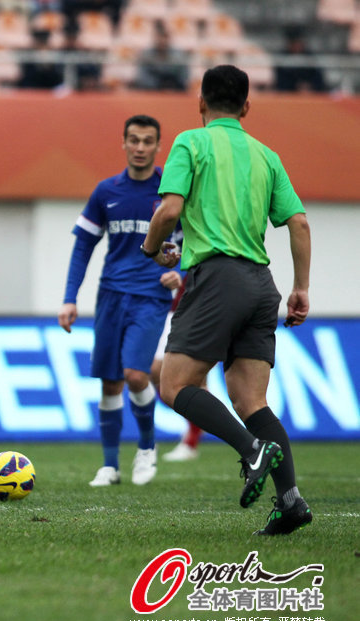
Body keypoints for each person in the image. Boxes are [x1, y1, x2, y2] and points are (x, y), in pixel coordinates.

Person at [142, 64, 313, 536]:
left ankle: (251, 450)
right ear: (246, 107)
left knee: (175, 385)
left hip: (216, 278)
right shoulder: (265, 155)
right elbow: (298, 223)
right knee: (251, 399)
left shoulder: (190, 143)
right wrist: (301, 288)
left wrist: (152, 248)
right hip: (262, 284)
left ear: (201, 103)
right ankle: (291, 502)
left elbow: (169, 210)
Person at [58, 114, 177, 487]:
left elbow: (197, 243)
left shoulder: (172, 193)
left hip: (151, 295)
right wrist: (69, 298)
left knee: (135, 374)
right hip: (110, 294)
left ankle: (146, 447)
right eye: (134, 140)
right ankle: (110, 466)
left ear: (159, 147)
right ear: (123, 143)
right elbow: (83, 248)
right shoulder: (106, 192)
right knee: (110, 384)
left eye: (147, 142)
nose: (140, 148)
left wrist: (183, 274)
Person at [150, 276, 206, 462]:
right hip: (169, 307)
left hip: (194, 308)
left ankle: (193, 438)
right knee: (155, 372)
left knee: (194, 377)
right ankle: (195, 429)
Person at [131, 20, 189, 92]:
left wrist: (174, 85)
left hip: (175, 91)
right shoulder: (146, 55)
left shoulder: (178, 55)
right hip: (153, 92)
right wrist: (158, 85)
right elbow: (142, 76)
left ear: (168, 39)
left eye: (164, 38)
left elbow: (184, 76)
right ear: (155, 39)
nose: (162, 41)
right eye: (159, 38)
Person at [274, 27, 326, 94]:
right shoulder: (283, 58)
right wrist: (295, 87)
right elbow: (280, 83)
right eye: (294, 43)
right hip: (289, 95)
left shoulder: (310, 57)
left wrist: (309, 86)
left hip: (310, 94)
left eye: (299, 42)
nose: (297, 46)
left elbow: (318, 79)